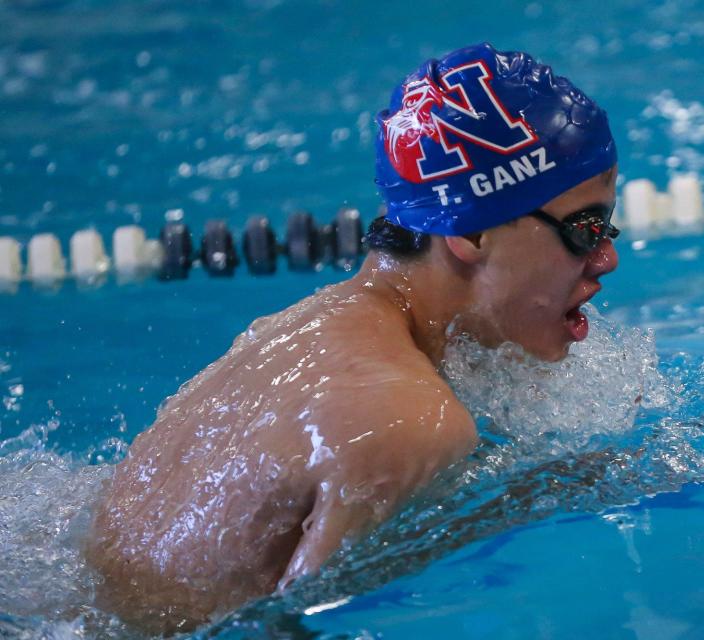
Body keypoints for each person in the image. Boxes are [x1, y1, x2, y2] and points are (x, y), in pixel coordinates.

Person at [86, 42, 620, 634]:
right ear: (471, 231)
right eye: (585, 228)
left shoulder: (303, 332)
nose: (607, 258)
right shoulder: (409, 420)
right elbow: (286, 626)